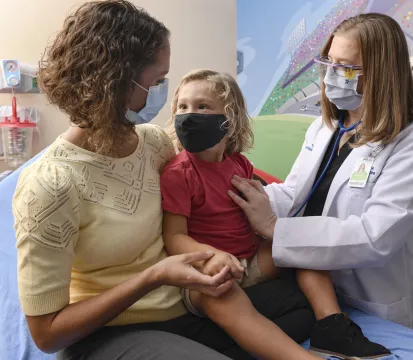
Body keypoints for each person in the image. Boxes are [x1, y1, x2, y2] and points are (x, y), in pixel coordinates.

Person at [11, 2, 314, 359]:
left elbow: (206, 177)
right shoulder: (50, 184)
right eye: (157, 82)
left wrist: (260, 205)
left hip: (183, 304)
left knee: (299, 306)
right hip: (111, 330)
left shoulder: (153, 142)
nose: (164, 94)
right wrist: (153, 277)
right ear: (116, 83)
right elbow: (46, 334)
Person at [228, 12, 413, 339]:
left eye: (346, 68)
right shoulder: (324, 127)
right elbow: (297, 194)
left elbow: (375, 236)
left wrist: (274, 228)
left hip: (367, 299)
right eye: (329, 63)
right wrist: (253, 197)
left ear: (382, 74)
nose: (330, 77)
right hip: (308, 287)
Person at [161, 68, 390, 359]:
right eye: (183, 106)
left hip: (249, 261)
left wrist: (269, 228)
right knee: (223, 297)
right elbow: (174, 237)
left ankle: (333, 327)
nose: (189, 114)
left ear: (229, 119)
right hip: (205, 270)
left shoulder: (239, 165)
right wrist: (211, 256)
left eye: (202, 106)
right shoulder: (179, 174)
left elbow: (254, 214)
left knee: (304, 247)